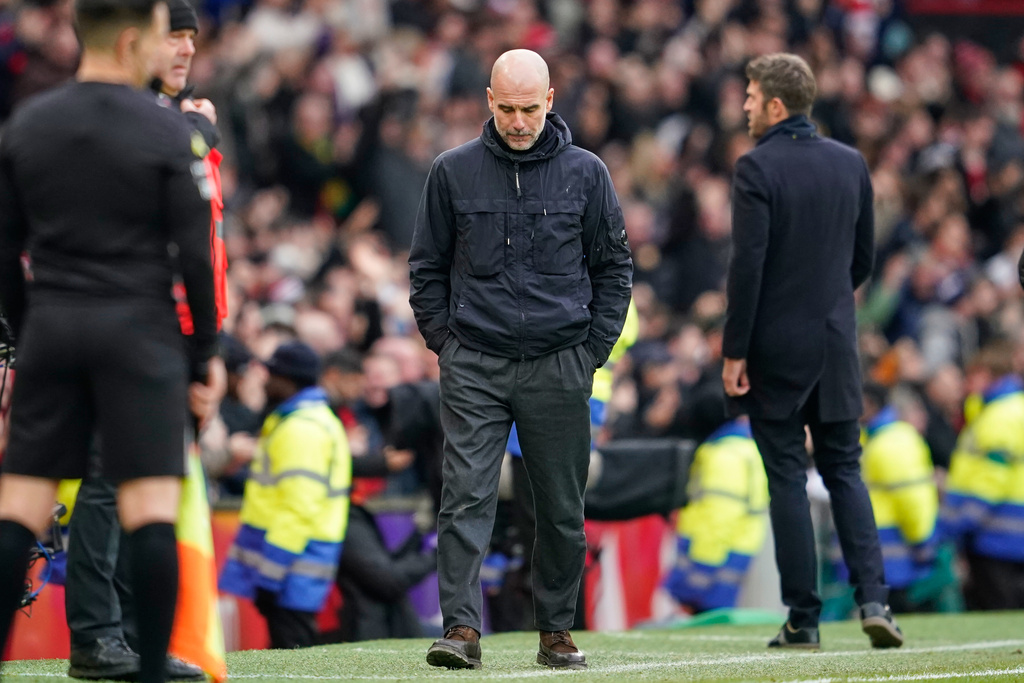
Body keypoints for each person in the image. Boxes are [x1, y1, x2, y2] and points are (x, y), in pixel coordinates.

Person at [0, 0, 219, 680]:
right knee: (150, 508)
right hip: (139, 332)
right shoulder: (166, 133)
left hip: (52, 328)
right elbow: (196, 259)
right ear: (131, 41)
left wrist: (32, 324)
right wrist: (203, 356)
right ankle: (149, 668)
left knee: (20, 512)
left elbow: (5, 249)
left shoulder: (26, 125)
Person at [409, 48, 632, 670]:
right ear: (488, 101)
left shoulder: (587, 174)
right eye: (506, 107)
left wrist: (590, 354)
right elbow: (426, 267)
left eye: (529, 108)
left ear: (551, 101)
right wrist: (447, 347)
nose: (517, 120)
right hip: (474, 362)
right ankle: (460, 629)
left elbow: (615, 269)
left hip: (560, 361)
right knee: (464, 499)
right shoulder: (451, 172)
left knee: (561, 508)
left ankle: (556, 630)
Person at [61, 2, 225, 678]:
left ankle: (130, 634)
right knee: (105, 481)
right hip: (117, 322)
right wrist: (189, 128)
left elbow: (207, 238)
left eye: (190, 38)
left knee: (149, 486)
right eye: (171, 37)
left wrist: (209, 344)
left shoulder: (194, 120)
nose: (183, 50)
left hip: (174, 331)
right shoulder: (131, 116)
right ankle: (97, 636)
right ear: (136, 42)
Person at [721, 53, 902, 650]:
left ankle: (803, 619)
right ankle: (874, 599)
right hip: (837, 343)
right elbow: (863, 261)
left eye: (750, 96)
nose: (744, 105)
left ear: (775, 105)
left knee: (787, 479)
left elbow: (748, 268)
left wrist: (735, 351)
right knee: (846, 470)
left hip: (776, 349)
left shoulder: (756, 170)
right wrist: (827, 302)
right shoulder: (851, 164)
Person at [219, 341, 353, 649]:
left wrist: (269, 575)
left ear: (287, 380)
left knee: (291, 653)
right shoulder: (305, 421)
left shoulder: (301, 429)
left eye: (271, 374)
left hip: (291, 567)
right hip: (295, 565)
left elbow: (298, 509)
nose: (265, 380)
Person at [941, 341, 1024, 609]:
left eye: (972, 375)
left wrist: (960, 521)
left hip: (996, 533)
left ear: (988, 374)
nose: (966, 384)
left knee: (1001, 611)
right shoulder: (1004, 409)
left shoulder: (1000, 416)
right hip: (1003, 529)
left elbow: (991, 480)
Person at [663, 417, 769, 614]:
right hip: (734, 553)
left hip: (710, 558)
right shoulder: (750, 449)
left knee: (700, 624)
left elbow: (719, 516)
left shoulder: (725, 455)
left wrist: (702, 569)